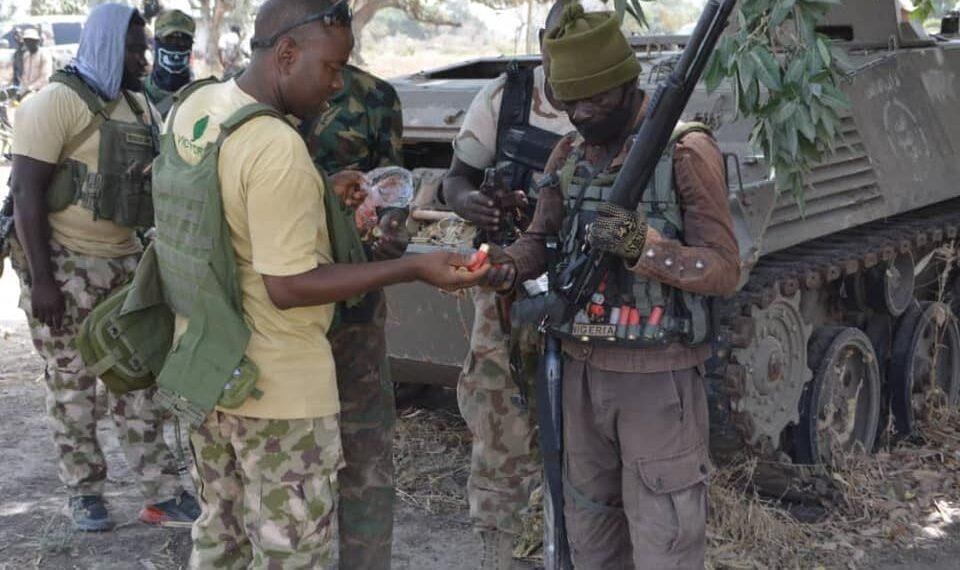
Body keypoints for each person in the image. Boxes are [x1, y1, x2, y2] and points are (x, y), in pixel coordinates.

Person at [158, 0, 486, 566]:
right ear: (286, 54)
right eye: (330, 68)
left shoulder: (199, 106)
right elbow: (288, 285)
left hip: (212, 363)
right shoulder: (275, 144)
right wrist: (413, 268)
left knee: (221, 537)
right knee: (290, 552)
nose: (336, 84)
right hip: (278, 384)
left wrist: (319, 195)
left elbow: (229, 210)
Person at [486, 4, 740, 568]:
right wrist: (506, 265)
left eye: (594, 101)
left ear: (627, 86)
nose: (580, 114)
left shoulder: (685, 151)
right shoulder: (568, 155)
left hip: (657, 380)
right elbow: (541, 240)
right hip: (579, 373)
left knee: (665, 544)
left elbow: (724, 269)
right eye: (569, 102)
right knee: (590, 538)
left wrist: (643, 248)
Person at [8, 3, 199, 532]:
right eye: (134, 48)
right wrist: (44, 282)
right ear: (109, 46)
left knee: (137, 381)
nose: (143, 59)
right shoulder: (56, 103)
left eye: (143, 48)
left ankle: (161, 493)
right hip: (66, 268)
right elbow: (24, 191)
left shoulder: (138, 105)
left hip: (125, 267)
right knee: (73, 387)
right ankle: (85, 493)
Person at [441, 1, 571, 566]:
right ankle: (504, 546)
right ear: (543, 40)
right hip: (507, 289)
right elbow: (456, 180)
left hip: (584, 289)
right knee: (501, 425)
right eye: (559, 40)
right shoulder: (508, 98)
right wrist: (477, 205)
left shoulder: (613, 102)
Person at [303, 63, 405, 570]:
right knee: (296, 465)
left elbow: (392, 187)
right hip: (286, 313)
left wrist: (390, 228)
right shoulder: (252, 95)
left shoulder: (375, 97)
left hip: (356, 309)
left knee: (365, 455)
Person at [144, 9, 195, 117]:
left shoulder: (199, 97)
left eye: (184, 40)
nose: (176, 45)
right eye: (169, 39)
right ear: (155, 43)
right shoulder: (138, 94)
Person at [19, 26, 53, 92]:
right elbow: (24, 75)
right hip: (28, 91)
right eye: (26, 41)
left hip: (41, 90)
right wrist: (22, 89)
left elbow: (46, 77)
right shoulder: (26, 55)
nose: (28, 43)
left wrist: (31, 88)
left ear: (37, 41)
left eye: (31, 41)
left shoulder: (44, 54)